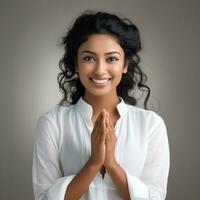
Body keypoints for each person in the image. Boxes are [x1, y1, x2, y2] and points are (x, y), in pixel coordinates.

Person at [32, 10, 170, 200]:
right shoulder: (52, 124)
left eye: (111, 58)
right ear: (76, 63)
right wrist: (93, 164)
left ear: (125, 64)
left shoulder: (150, 125)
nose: (100, 70)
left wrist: (111, 164)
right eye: (89, 58)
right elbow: (43, 198)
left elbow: (155, 197)